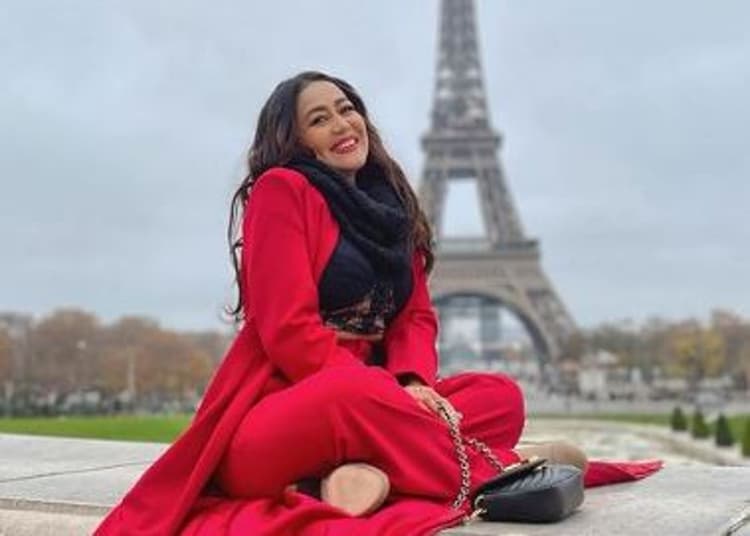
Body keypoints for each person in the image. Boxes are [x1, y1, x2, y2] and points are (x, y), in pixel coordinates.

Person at [95, 71, 658, 536]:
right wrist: (387, 392)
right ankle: (505, 468)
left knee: (499, 395)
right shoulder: (282, 190)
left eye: (346, 109)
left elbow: (415, 317)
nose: (342, 124)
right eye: (319, 119)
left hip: (376, 400)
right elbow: (287, 329)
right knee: (355, 394)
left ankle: (350, 478)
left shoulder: (392, 209)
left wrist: (412, 382)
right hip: (282, 413)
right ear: (296, 142)